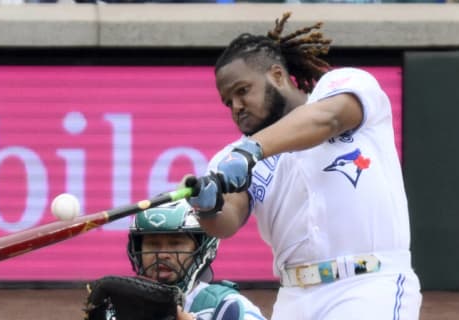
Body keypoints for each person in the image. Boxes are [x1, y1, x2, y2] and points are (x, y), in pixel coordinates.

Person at [184, 12, 422, 320]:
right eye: (228, 101)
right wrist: (208, 205)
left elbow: (328, 119)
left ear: (278, 76)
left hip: (369, 284)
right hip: (295, 297)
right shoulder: (233, 157)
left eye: (242, 91)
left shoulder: (343, 85)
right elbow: (227, 220)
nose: (237, 106)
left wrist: (251, 150)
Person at [127, 199, 267, 320]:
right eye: (153, 244)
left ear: (199, 250)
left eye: (175, 243)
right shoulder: (119, 306)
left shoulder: (226, 307)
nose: (163, 254)